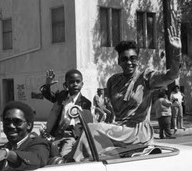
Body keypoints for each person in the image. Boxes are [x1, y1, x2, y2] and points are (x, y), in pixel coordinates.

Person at [69, 25, 182, 161]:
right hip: (119, 129)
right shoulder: (113, 81)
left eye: (133, 58)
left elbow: (171, 76)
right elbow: (110, 113)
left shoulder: (145, 77)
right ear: (119, 61)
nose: (129, 62)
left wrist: (176, 53)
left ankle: (70, 163)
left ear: (137, 60)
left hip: (138, 131)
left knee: (93, 129)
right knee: (89, 137)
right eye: (124, 59)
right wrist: (101, 108)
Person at [0, 101, 50, 171]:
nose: (11, 126)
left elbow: (35, 160)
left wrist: (6, 154)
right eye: (7, 122)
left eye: (17, 121)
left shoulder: (39, 144)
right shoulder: (0, 150)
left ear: (29, 125)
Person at [39, 69, 92, 156]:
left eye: (78, 82)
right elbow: (48, 95)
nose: (75, 84)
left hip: (71, 136)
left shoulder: (85, 103)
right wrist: (47, 85)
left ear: (82, 84)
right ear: (66, 84)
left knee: (64, 155)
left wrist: (77, 138)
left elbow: (87, 124)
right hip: (57, 134)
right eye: (71, 82)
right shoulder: (61, 96)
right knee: (47, 153)